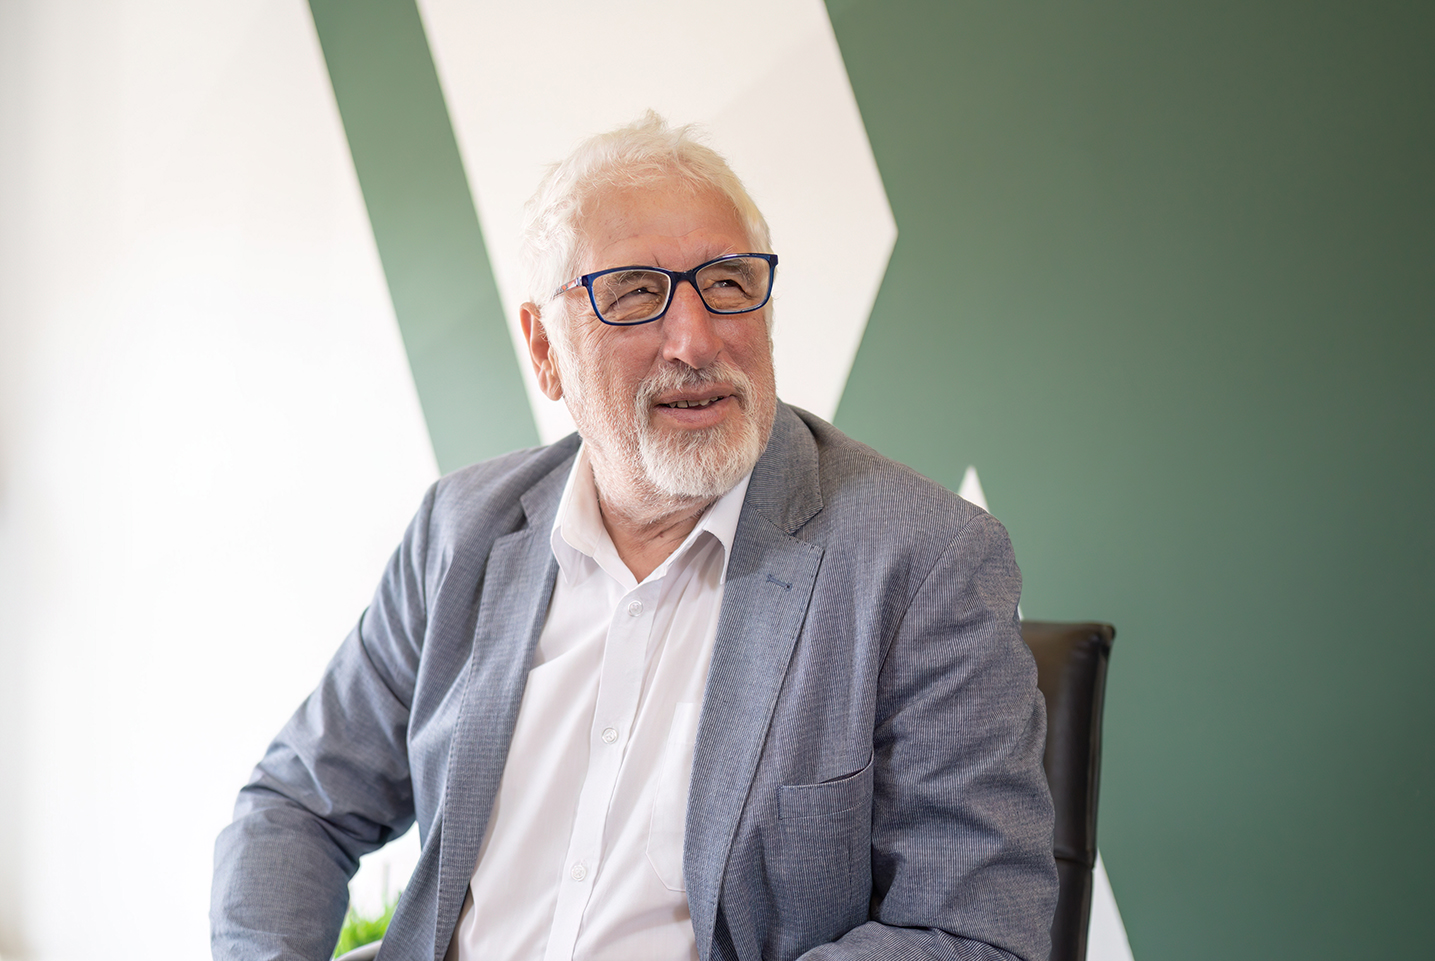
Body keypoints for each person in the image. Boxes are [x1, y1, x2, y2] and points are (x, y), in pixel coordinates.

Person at [211, 113, 1057, 961]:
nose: (695, 340)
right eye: (634, 293)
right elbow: (294, 803)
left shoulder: (921, 562)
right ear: (545, 349)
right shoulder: (459, 532)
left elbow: (971, 931)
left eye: (727, 283)